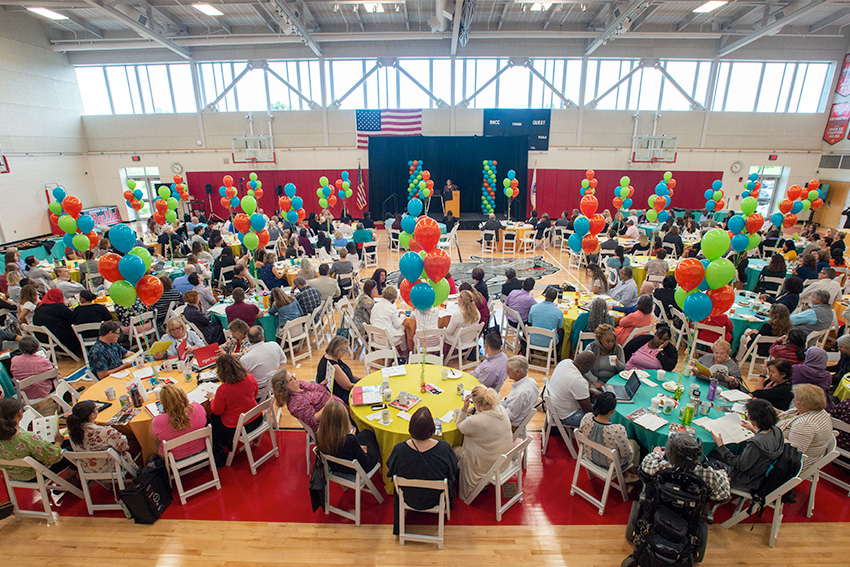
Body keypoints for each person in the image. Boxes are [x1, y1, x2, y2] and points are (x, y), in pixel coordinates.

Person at [386, 407, 459, 535]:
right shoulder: (444, 448)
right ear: (432, 428)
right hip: (435, 497)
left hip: (409, 496)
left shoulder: (399, 449)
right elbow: (453, 470)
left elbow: (391, 471)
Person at [711, 398, 784, 492]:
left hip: (744, 480)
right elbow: (764, 443)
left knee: (710, 456)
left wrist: (720, 446)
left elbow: (740, 465)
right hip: (760, 475)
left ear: (755, 419)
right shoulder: (776, 431)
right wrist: (754, 430)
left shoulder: (756, 444)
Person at [455, 385, 513, 500]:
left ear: (477, 404)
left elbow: (460, 426)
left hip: (487, 465)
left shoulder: (475, 421)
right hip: (504, 459)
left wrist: (464, 409)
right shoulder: (501, 409)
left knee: (453, 449)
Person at [640, 433, 730, 502]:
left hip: (665, 498)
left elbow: (646, 464)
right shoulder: (707, 473)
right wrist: (723, 475)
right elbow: (723, 495)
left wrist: (658, 453)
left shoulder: (664, 467)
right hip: (690, 504)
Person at [206, 354, 261, 464]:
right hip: (257, 418)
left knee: (214, 419)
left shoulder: (223, 389)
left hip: (237, 427)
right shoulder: (250, 377)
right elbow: (255, 394)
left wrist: (212, 399)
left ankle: (224, 448)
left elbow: (217, 410)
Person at [0, 398, 71, 482]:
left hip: (14, 474)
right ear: (19, 413)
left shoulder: (23, 437)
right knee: (72, 448)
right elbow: (53, 456)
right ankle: (70, 478)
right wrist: (58, 442)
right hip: (38, 474)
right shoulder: (26, 438)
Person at [577, 392, 640, 481]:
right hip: (611, 465)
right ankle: (632, 475)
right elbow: (625, 454)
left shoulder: (586, 418)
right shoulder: (617, 430)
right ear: (612, 411)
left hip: (589, 456)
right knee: (634, 444)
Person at [776, 383, 833, 471]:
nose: (794, 400)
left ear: (803, 403)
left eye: (796, 398)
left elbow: (791, 453)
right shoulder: (821, 412)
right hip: (810, 456)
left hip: (794, 464)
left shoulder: (804, 424)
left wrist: (770, 435)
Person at [316, 400, 380, 478]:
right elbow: (365, 463)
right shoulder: (349, 439)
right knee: (372, 436)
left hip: (334, 466)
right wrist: (360, 448)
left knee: (366, 433)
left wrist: (357, 445)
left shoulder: (319, 435)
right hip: (355, 469)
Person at [66, 400, 133, 473]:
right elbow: (124, 446)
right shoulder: (104, 432)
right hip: (111, 466)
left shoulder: (72, 432)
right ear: (92, 415)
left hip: (89, 468)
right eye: (96, 410)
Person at [271, 368, 342, 432]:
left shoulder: (298, 385)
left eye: (293, 375)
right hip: (331, 422)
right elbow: (313, 419)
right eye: (291, 379)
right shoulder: (296, 404)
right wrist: (327, 407)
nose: (295, 378)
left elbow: (311, 392)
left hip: (335, 406)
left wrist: (320, 386)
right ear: (285, 387)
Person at [547, 352, 595, 427]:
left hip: (555, 408)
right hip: (566, 416)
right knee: (603, 418)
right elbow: (588, 411)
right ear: (587, 365)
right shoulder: (578, 380)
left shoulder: (565, 362)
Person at [240, 326, 287, 402]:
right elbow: (283, 362)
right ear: (263, 337)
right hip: (274, 386)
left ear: (248, 340)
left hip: (257, 394)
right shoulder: (274, 345)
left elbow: (241, 379)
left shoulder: (245, 359)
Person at [33, 288, 79, 354]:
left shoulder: (39, 307)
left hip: (44, 339)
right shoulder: (58, 306)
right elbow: (73, 318)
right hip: (62, 340)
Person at [10, 336, 55, 400]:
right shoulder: (43, 360)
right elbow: (52, 375)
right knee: (55, 377)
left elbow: (13, 374)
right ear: (36, 346)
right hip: (42, 391)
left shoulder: (14, 360)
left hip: (24, 393)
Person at [583, 324, 625, 389]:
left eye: (613, 341)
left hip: (613, 381)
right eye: (607, 341)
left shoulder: (618, 349)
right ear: (600, 340)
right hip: (594, 380)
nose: (610, 344)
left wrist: (618, 364)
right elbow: (584, 368)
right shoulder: (591, 348)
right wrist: (595, 381)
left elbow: (623, 369)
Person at [500, 355, 539, 427]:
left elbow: (506, 418)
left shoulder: (519, 394)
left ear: (518, 372)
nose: (507, 371)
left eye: (509, 369)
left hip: (509, 426)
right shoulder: (532, 381)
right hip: (509, 415)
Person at [527, 286, 563, 351]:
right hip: (550, 342)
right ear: (555, 298)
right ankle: (555, 355)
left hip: (533, 339)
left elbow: (531, 322)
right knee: (562, 332)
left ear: (545, 295)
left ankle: (532, 352)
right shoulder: (559, 312)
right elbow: (559, 328)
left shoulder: (533, 307)